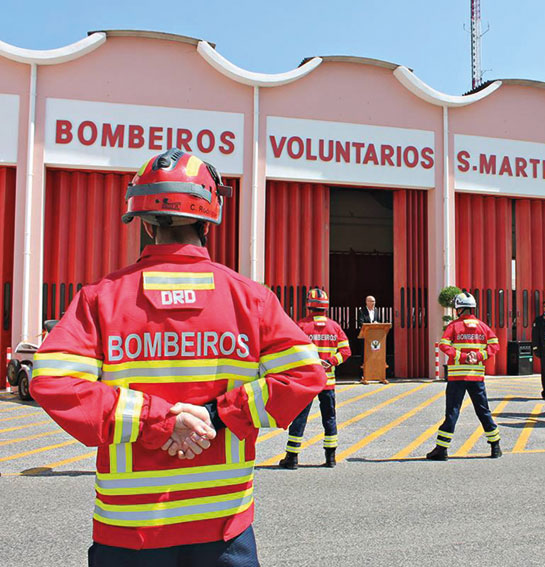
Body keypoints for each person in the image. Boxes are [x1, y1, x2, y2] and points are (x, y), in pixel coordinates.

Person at [30, 149, 326, 566]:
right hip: (224, 525)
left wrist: (157, 419)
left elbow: (51, 381)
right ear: (208, 221)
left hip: (130, 529)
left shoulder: (101, 299)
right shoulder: (251, 299)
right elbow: (306, 374)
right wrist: (216, 415)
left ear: (145, 222)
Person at [280, 288, 351, 469]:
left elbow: (292, 350)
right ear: (326, 307)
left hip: (307, 382)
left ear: (308, 305)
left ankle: (292, 458)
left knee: (299, 418)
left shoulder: (301, 326)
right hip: (328, 382)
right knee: (329, 418)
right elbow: (346, 351)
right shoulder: (334, 327)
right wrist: (331, 362)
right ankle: (331, 457)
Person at [427, 292, 501, 460]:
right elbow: (495, 345)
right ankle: (495, 446)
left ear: (458, 309)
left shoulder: (453, 326)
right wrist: (479, 356)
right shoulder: (483, 327)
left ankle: (441, 449)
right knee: (483, 411)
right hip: (476, 377)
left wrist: (462, 356)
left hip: (457, 378)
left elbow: (444, 346)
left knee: (452, 412)